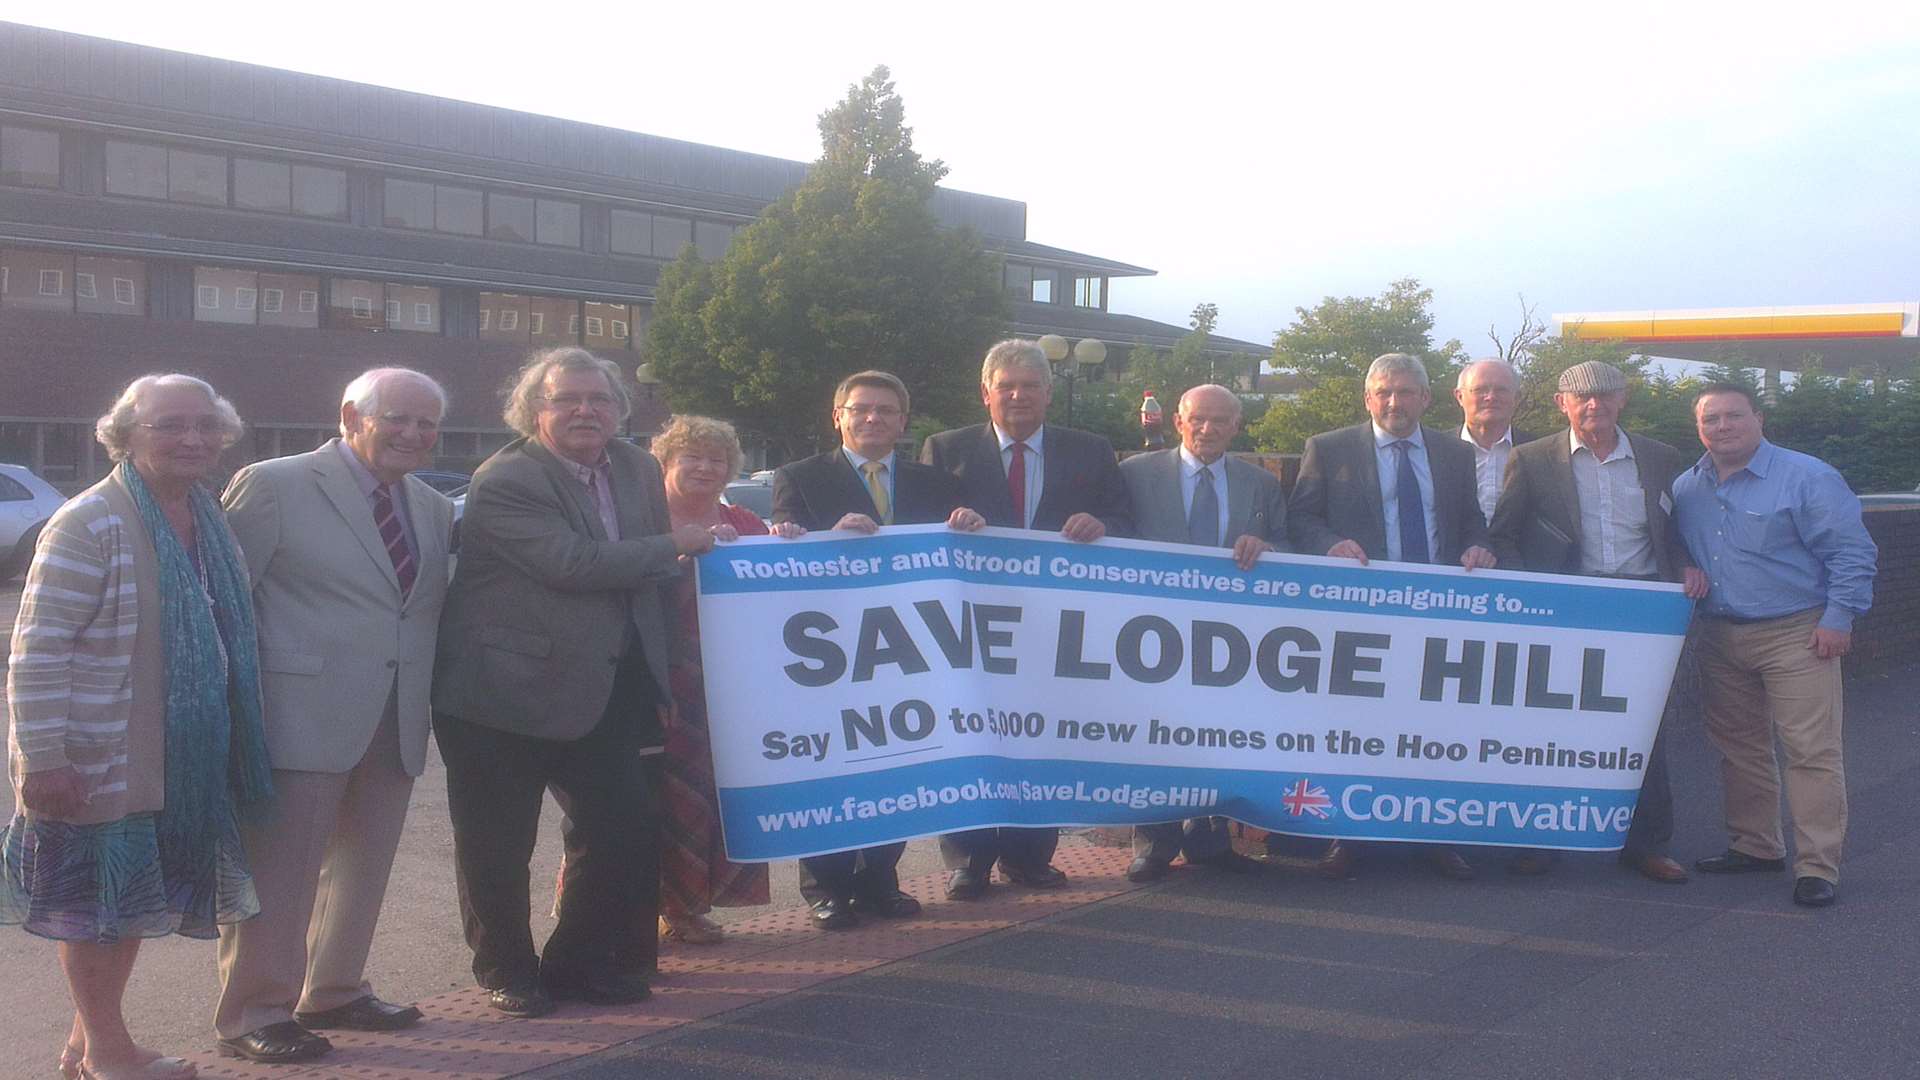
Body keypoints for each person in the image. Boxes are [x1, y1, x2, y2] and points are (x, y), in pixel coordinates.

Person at [3, 374, 274, 1080]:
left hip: (175, 755)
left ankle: (84, 1045)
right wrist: (42, 757)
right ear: (124, 436)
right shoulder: (90, 520)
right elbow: (37, 649)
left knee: (124, 906)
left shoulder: (205, 516)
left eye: (204, 425)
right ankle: (110, 1053)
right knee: (99, 908)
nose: (191, 438)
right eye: (169, 425)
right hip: (99, 756)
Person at [432, 347, 714, 1017]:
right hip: (501, 691)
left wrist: (664, 668)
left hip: (611, 685)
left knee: (621, 830)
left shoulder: (639, 467)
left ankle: (573, 963)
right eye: (567, 400)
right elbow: (572, 563)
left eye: (600, 400)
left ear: (620, 410)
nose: (586, 411)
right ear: (535, 412)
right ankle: (506, 969)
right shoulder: (507, 478)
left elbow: (650, 579)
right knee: (498, 845)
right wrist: (679, 543)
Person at [210, 369, 454, 1063]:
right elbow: (228, 601)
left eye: (426, 423)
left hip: (394, 712)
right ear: (352, 415)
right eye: (396, 418)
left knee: (363, 865)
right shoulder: (275, 483)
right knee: (280, 873)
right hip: (295, 712)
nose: (412, 434)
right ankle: (253, 1011)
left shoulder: (432, 507)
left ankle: (336, 989)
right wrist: (230, 710)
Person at [920, 339, 1133, 900]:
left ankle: (1030, 855)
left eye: (1031, 385)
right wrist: (950, 521)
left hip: (1056, 632)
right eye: (1007, 385)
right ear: (986, 392)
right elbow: (917, 526)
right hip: (972, 626)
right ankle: (967, 860)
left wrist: (1100, 523)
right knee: (971, 735)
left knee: (1043, 736)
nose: (1018, 395)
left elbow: (1124, 516)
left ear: (1047, 393)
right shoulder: (945, 449)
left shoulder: (1090, 450)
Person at [1487, 360, 1710, 884]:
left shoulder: (1660, 458)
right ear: (1562, 403)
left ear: (1622, 399)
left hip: (1641, 606)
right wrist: (1534, 591)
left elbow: (1670, 531)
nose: (1594, 406)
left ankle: (1647, 843)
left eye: (1605, 396)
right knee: (1551, 727)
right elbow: (1503, 534)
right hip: (1570, 604)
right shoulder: (1532, 457)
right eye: (1582, 397)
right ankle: (1543, 838)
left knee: (1644, 727)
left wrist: (1684, 566)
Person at [771, 370, 980, 929]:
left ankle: (880, 880)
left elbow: (959, 556)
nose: (873, 419)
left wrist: (970, 526)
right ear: (837, 416)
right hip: (830, 653)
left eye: (886, 411)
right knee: (834, 765)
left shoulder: (937, 483)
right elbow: (779, 549)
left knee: (900, 765)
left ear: (903, 422)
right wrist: (823, 537)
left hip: (912, 652)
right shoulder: (799, 476)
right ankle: (826, 887)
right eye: (860, 409)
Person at [1287, 352, 1494, 882]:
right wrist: (1330, 543)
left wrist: (1477, 547)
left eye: (1405, 392)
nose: (1395, 402)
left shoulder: (1454, 453)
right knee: (1357, 728)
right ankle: (1348, 836)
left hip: (1436, 615)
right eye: (1385, 393)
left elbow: (1470, 520)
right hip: (1359, 615)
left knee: (1434, 727)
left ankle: (1433, 836)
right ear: (1368, 398)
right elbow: (1301, 517)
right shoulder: (1329, 449)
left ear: (1426, 398)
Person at [1673, 383, 1877, 908]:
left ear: (1758, 418)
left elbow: (1852, 551)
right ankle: (1755, 845)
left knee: (1811, 752)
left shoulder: (1807, 476)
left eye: (1733, 416)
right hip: (1719, 635)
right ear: (1699, 428)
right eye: (1710, 419)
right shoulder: (1685, 488)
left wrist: (1840, 618)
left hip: (1797, 632)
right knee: (1738, 751)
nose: (1722, 427)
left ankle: (1818, 866)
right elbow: (1676, 546)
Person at [1119, 384, 1288, 882]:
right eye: (1198, 419)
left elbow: (1289, 539)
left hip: (1233, 636)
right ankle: (1153, 843)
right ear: (1178, 421)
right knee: (1156, 736)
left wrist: (1268, 546)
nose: (1208, 429)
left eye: (1220, 421)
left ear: (1237, 426)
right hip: (1152, 630)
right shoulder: (1134, 474)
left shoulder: (1261, 484)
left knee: (1221, 734)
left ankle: (1210, 842)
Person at [649, 415, 794, 944]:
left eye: (717, 460)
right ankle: (621, 912)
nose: (706, 468)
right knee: (643, 801)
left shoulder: (746, 523)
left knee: (709, 801)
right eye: (693, 457)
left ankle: (686, 911)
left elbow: (790, 587)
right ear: (665, 461)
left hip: (732, 690)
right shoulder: (641, 520)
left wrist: (790, 541)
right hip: (658, 679)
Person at [1453, 358, 1537, 523]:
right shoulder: (1434, 452)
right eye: (1480, 389)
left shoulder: (1539, 454)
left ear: (1517, 397)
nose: (1491, 397)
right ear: (1460, 396)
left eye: (1501, 390)